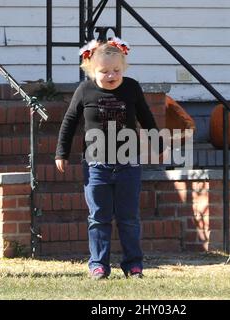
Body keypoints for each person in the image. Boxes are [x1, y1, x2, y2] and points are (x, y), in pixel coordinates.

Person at [55, 37, 167, 280]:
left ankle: (133, 265)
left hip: (128, 162)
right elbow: (69, 122)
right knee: (99, 217)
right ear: (91, 69)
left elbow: (146, 118)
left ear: (124, 68)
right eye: (104, 71)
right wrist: (61, 152)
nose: (111, 75)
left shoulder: (131, 88)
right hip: (96, 165)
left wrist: (158, 142)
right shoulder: (84, 90)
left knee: (128, 217)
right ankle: (98, 265)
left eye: (116, 70)